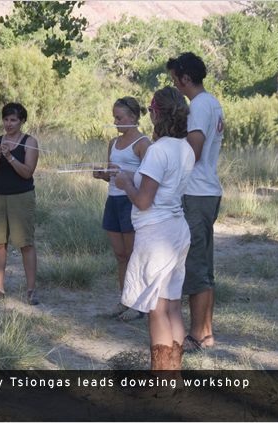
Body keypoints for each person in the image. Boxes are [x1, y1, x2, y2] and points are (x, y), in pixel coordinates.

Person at [114, 86, 195, 384]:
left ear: (156, 113)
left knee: (157, 310)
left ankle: (161, 382)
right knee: (173, 305)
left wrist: (125, 183)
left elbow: (143, 200)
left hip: (156, 232)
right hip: (177, 229)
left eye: (150, 110)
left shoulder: (158, 150)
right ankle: (173, 378)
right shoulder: (185, 147)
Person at [166, 52, 224, 354]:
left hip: (197, 193)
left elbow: (195, 150)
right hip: (207, 191)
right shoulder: (212, 102)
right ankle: (207, 332)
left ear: (185, 78)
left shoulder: (199, 105)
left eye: (174, 78)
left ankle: (196, 335)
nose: (173, 83)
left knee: (196, 266)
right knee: (205, 266)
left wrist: (169, 149)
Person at [93, 97, 151, 320]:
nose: (115, 122)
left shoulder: (143, 144)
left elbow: (148, 180)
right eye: (114, 118)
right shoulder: (113, 143)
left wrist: (122, 173)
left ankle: (139, 304)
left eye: (119, 117)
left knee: (133, 254)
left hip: (131, 202)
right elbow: (111, 177)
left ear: (133, 117)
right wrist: (103, 175)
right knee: (120, 256)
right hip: (113, 201)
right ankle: (125, 300)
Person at [0, 103, 40, 305]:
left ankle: (31, 290)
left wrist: (9, 156)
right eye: (6, 119)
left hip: (22, 196)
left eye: (13, 120)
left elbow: (27, 172)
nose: (9, 124)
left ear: (22, 121)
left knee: (25, 243)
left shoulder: (30, 142)